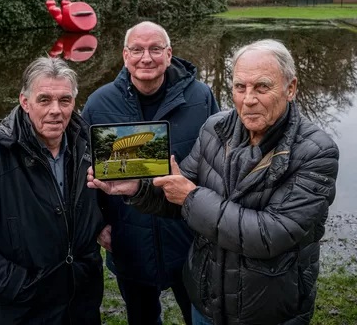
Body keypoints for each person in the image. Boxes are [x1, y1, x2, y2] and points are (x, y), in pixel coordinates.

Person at [88, 39, 339, 325]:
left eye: (262, 87)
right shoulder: (214, 128)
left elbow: (270, 235)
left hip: (266, 309)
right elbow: (177, 195)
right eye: (240, 87)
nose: (248, 99)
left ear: (290, 88)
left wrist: (191, 197)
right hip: (206, 300)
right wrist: (137, 189)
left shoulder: (316, 152)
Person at [0, 57, 105, 324]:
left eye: (65, 100)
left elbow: (100, 197)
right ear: (25, 102)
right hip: (23, 307)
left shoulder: (88, 144)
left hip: (82, 298)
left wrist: (101, 224)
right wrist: (13, 283)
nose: (56, 110)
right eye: (44, 100)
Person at [81, 21, 219, 325]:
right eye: (137, 49)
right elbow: (82, 173)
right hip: (128, 240)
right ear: (124, 55)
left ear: (169, 54)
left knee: (198, 316)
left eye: (155, 49)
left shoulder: (200, 97)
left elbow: (219, 164)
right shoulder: (98, 103)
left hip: (188, 237)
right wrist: (97, 224)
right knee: (141, 318)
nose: (146, 57)